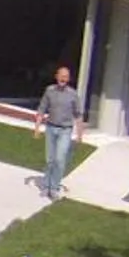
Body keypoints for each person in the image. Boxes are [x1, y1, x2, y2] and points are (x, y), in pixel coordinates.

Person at [34, 63, 83, 200]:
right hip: (50, 128)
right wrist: (37, 128)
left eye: (66, 77)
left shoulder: (73, 94)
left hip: (65, 130)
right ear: (56, 77)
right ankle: (46, 186)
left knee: (60, 159)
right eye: (61, 76)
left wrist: (79, 134)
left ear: (68, 79)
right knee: (50, 159)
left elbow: (78, 115)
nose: (63, 79)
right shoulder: (49, 91)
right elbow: (42, 109)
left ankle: (54, 188)